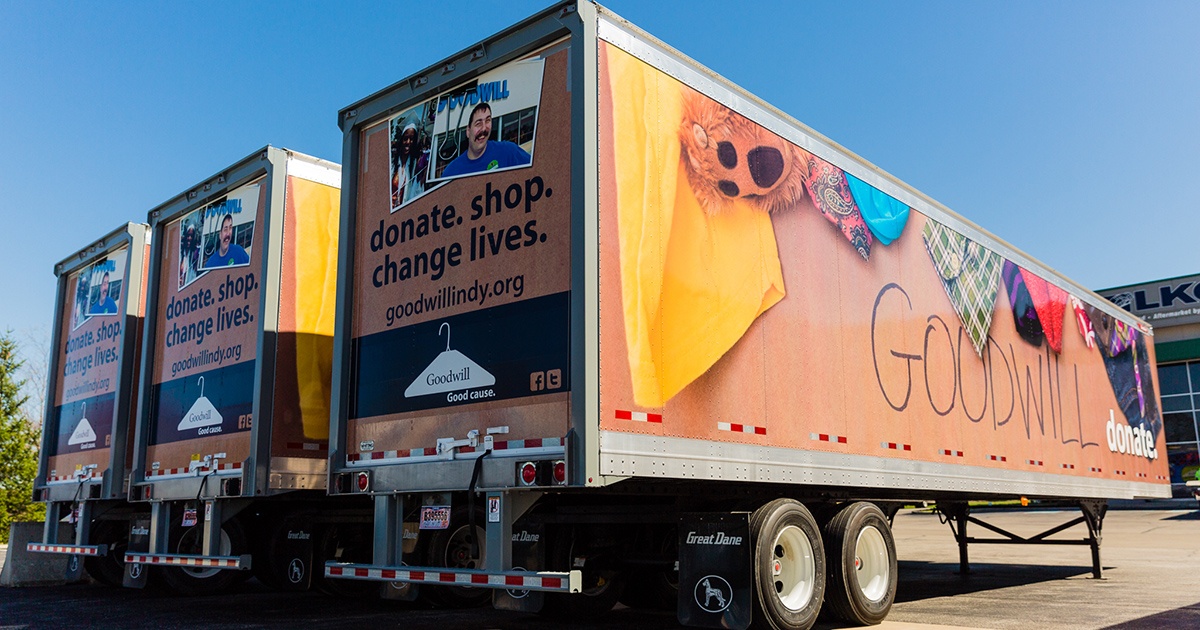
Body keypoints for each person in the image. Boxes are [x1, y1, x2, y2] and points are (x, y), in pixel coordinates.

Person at [440, 101, 531, 178]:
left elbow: (537, 170)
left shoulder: (509, 152)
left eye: (487, 121)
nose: (484, 129)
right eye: (478, 124)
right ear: (468, 131)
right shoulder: (452, 172)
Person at [392, 122, 430, 206]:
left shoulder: (415, 165)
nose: (408, 142)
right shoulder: (393, 164)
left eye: (412, 139)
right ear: (401, 140)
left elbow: (417, 191)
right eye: (405, 138)